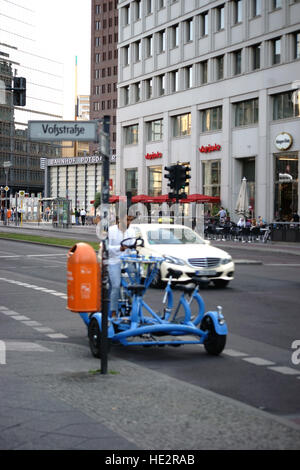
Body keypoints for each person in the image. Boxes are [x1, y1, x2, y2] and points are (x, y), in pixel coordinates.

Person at [108, 215, 135, 318]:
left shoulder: (131, 231)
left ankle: (133, 307)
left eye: (130, 220)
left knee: (136, 284)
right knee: (115, 286)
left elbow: (133, 247)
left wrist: (134, 252)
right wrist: (119, 248)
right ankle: (113, 311)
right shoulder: (111, 231)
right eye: (126, 220)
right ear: (119, 220)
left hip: (127, 260)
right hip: (114, 261)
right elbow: (106, 247)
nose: (128, 223)